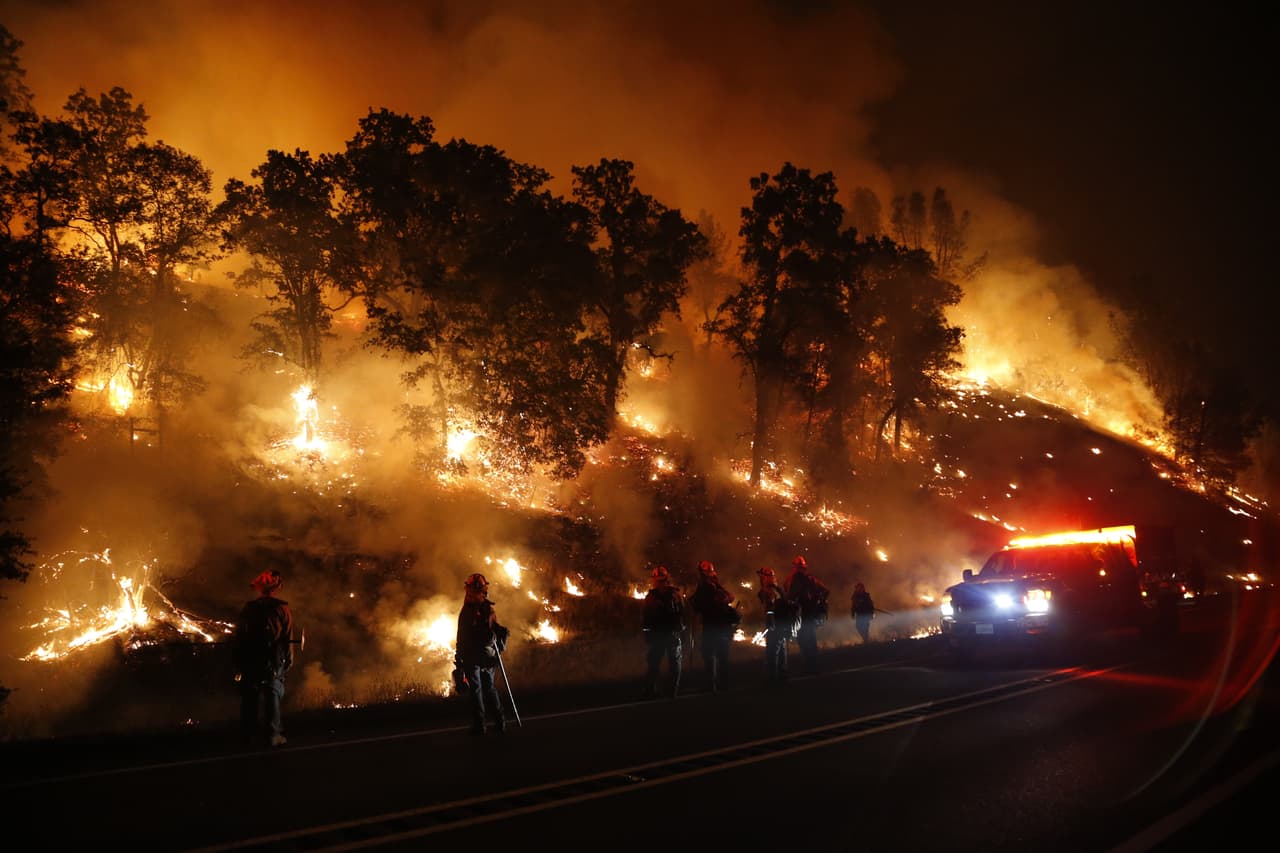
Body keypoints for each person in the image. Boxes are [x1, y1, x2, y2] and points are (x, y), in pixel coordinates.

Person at [233, 568, 294, 748]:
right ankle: (272, 735)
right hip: (272, 659)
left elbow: (239, 636)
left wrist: (238, 660)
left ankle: (248, 736)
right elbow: (288, 637)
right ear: (276, 588)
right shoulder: (282, 608)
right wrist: (289, 659)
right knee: (272, 695)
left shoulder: (249, 608)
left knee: (249, 697)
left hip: (250, 658)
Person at [454, 572, 510, 735]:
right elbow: (497, 630)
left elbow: (462, 635)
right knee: (490, 688)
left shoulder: (467, 610)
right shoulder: (488, 608)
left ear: (469, 589)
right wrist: (499, 647)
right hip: (489, 656)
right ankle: (500, 722)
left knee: (476, 691)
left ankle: (480, 725)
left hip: (473, 656)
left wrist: (459, 655)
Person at [690, 559, 740, 692]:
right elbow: (731, 597)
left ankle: (711, 684)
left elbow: (699, 605)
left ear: (702, 573)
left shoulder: (705, 587)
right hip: (723, 627)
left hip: (712, 626)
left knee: (709, 655)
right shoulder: (716, 586)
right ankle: (723, 684)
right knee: (722, 656)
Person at [641, 566, 686, 699]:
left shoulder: (651, 596)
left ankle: (651, 691)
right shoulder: (676, 594)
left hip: (658, 635)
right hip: (671, 634)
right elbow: (683, 613)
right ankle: (672, 692)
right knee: (674, 664)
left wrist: (647, 634)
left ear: (655, 580)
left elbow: (646, 617)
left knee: (654, 664)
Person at [785, 555, 829, 674]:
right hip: (808, 614)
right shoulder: (810, 579)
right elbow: (826, 591)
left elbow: (791, 596)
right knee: (809, 639)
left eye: (797, 567)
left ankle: (810, 666)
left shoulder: (798, 579)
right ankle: (812, 665)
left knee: (805, 640)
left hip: (803, 615)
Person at [757, 566, 792, 685]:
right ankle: (783, 675)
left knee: (772, 651)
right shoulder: (777, 588)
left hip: (775, 624)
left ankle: (772, 678)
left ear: (765, 577)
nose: (760, 578)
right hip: (782, 623)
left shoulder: (769, 590)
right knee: (781, 648)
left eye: (761, 576)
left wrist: (770, 620)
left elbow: (770, 606)